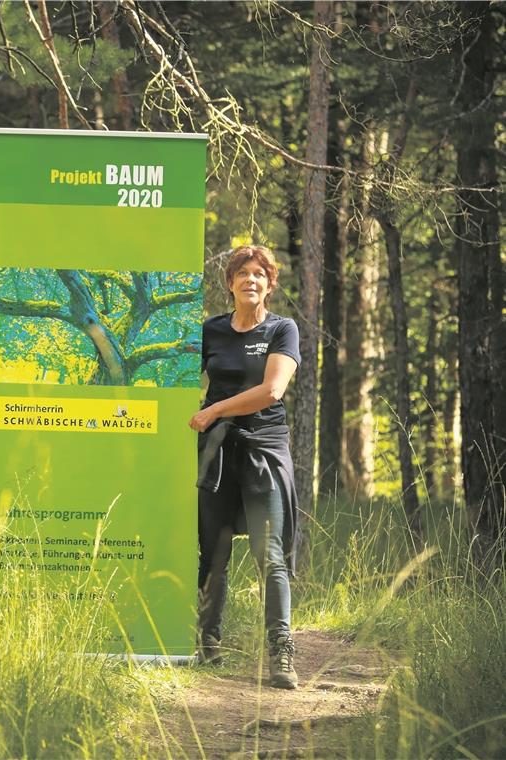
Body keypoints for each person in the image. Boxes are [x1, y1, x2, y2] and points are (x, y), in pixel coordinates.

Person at [189, 245, 301, 689]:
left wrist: (214, 409)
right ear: (230, 282)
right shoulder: (211, 330)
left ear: (270, 284)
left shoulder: (282, 329)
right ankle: (207, 644)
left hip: (264, 451)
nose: (250, 280)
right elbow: (175, 377)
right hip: (217, 452)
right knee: (213, 551)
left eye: (259, 274)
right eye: (242, 273)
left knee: (269, 555)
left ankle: (281, 653)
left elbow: (272, 390)